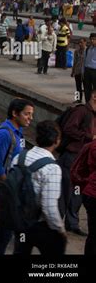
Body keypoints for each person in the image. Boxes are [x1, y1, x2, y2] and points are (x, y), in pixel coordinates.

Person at [0, 98, 34, 255]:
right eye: (27, 114)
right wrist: (10, 188)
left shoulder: (18, 131)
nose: (30, 118)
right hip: (3, 191)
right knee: (3, 233)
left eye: (31, 115)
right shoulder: (5, 134)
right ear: (15, 113)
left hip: (8, 189)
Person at [13, 121, 67, 255]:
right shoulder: (52, 167)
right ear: (56, 141)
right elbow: (49, 206)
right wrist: (60, 228)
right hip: (42, 225)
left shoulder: (20, 157)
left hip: (20, 220)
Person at [58, 89, 96, 236]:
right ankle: (56, 225)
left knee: (77, 193)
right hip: (71, 156)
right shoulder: (81, 111)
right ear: (94, 96)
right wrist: (89, 137)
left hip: (82, 158)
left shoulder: (92, 115)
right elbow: (69, 128)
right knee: (65, 192)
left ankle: (72, 223)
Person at [72, 38, 86, 103]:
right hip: (77, 71)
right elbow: (74, 62)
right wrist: (73, 71)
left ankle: (87, 100)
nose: (80, 44)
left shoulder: (87, 51)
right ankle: (78, 99)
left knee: (86, 87)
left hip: (85, 72)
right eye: (79, 43)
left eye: (82, 42)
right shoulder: (76, 51)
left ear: (85, 43)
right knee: (78, 86)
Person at [83, 33, 96, 103]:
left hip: (95, 71)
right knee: (87, 88)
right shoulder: (88, 49)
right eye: (91, 39)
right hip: (87, 70)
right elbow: (84, 61)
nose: (92, 41)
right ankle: (88, 102)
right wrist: (83, 71)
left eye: (94, 39)